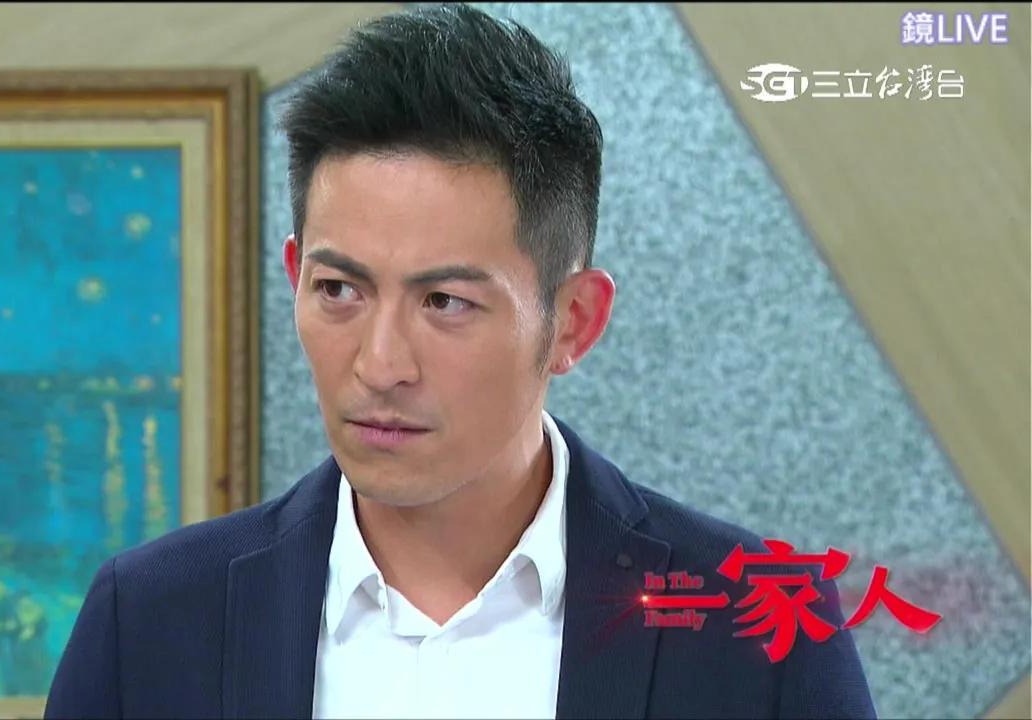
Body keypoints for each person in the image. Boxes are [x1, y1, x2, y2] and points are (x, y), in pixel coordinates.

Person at [45, 5, 876, 719]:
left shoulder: (761, 633)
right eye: (339, 290)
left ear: (573, 323)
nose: (380, 364)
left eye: (444, 302)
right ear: (295, 276)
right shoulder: (147, 622)